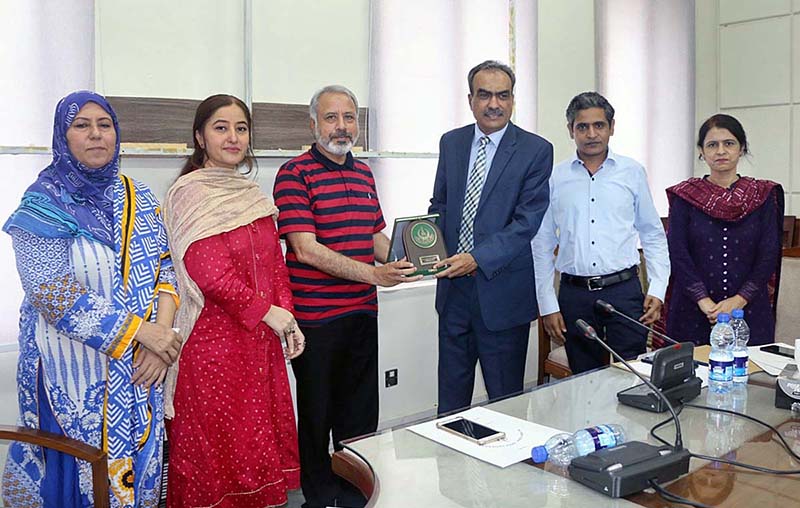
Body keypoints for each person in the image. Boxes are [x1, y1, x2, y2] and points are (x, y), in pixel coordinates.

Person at [2, 91, 181, 507]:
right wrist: (144, 334)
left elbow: (166, 270)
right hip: (71, 376)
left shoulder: (139, 196)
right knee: (79, 475)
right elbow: (52, 294)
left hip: (139, 373)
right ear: (63, 137)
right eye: (81, 125)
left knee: (134, 472)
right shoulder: (41, 204)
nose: (96, 135)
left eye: (105, 125)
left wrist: (162, 341)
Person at [273, 85, 420, 508]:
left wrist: (409, 260)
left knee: (359, 414)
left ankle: (356, 493)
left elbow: (374, 235)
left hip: (361, 314)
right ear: (314, 124)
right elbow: (305, 247)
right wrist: (376, 274)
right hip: (316, 319)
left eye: (349, 117)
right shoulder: (294, 173)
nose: (342, 127)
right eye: (332, 117)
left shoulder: (362, 172)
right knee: (318, 414)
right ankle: (319, 497)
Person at [163, 94, 304, 507]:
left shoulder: (251, 195)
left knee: (255, 444)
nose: (233, 137)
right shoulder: (190, 194)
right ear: (200, 137)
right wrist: (269, 313)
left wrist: (287, 317)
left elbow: (276, 266)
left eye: (240, 128)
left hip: (258, 345)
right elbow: (209, 273)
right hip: (213, 348)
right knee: (218, 453)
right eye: (220, 128)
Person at [429, 60, 553, 415]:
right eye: (484, 95)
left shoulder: (535, 150)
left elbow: (526, 222)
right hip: (453, 293)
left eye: (503, 95)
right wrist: (423, 244)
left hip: (502, 294)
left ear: (513, 100)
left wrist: (477, 258)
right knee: (450, 404)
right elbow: (440, 203)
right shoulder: (452, 143)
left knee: (505, 406)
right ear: (471, 100)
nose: (493, 104)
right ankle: (450, 469)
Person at [532, 91, 670, 374]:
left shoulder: (632, 172)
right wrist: (547, 303)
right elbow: (542, 243)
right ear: (571, 130)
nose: (591, 134)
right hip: (574, 295)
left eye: (599, 125)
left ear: (612, 128)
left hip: (624, 292)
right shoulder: (556, 178)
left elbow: (652, 233)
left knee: (631, 378)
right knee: (585, 385)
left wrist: (658, 288)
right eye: (582, 126)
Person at [665, 114, 783, 346]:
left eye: (728, 143)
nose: (721, 151)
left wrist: (738, 301)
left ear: (741, 148)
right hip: (694, 309)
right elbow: (677, 253)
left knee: (751, 376)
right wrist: (704, 302)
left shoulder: (762, 195)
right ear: (702, 151)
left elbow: (769, 253)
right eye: (712, 145)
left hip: (748, 310)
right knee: (690, 376)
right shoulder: (685, 196)